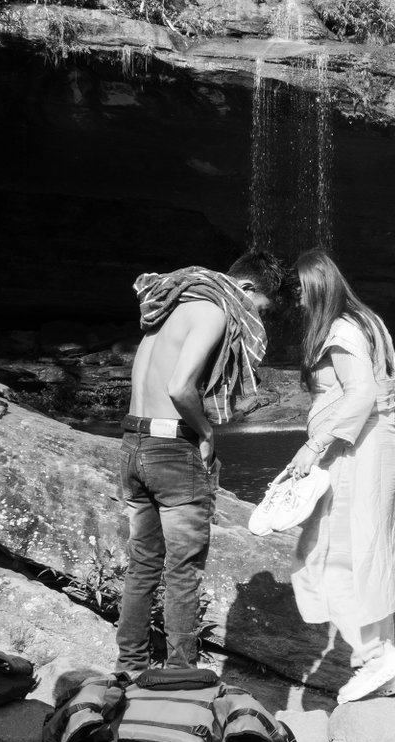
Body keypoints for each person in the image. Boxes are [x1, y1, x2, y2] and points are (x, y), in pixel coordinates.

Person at [117, 252, 285, 673]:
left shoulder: (169, 307)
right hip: (172, 450)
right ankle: (180, 673)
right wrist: (207, 433)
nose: (254, 319)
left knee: (142, 567)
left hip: (133, 441)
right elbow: (180, 388)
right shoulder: (212, 312)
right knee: (183, 572)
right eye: (259, 309)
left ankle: (130, 667)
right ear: (246, 289)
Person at [285, 248, 395, 704]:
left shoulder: (340, 330)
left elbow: (360, 394)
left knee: (327, 555)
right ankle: (382, 660)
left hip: (357, 450)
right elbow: (393, 388)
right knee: (371, 552)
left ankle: (371, 657)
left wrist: (313, 447)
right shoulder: (370, 322)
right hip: (384, 448)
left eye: (302, 292)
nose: (298, 302)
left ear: (318, 288)